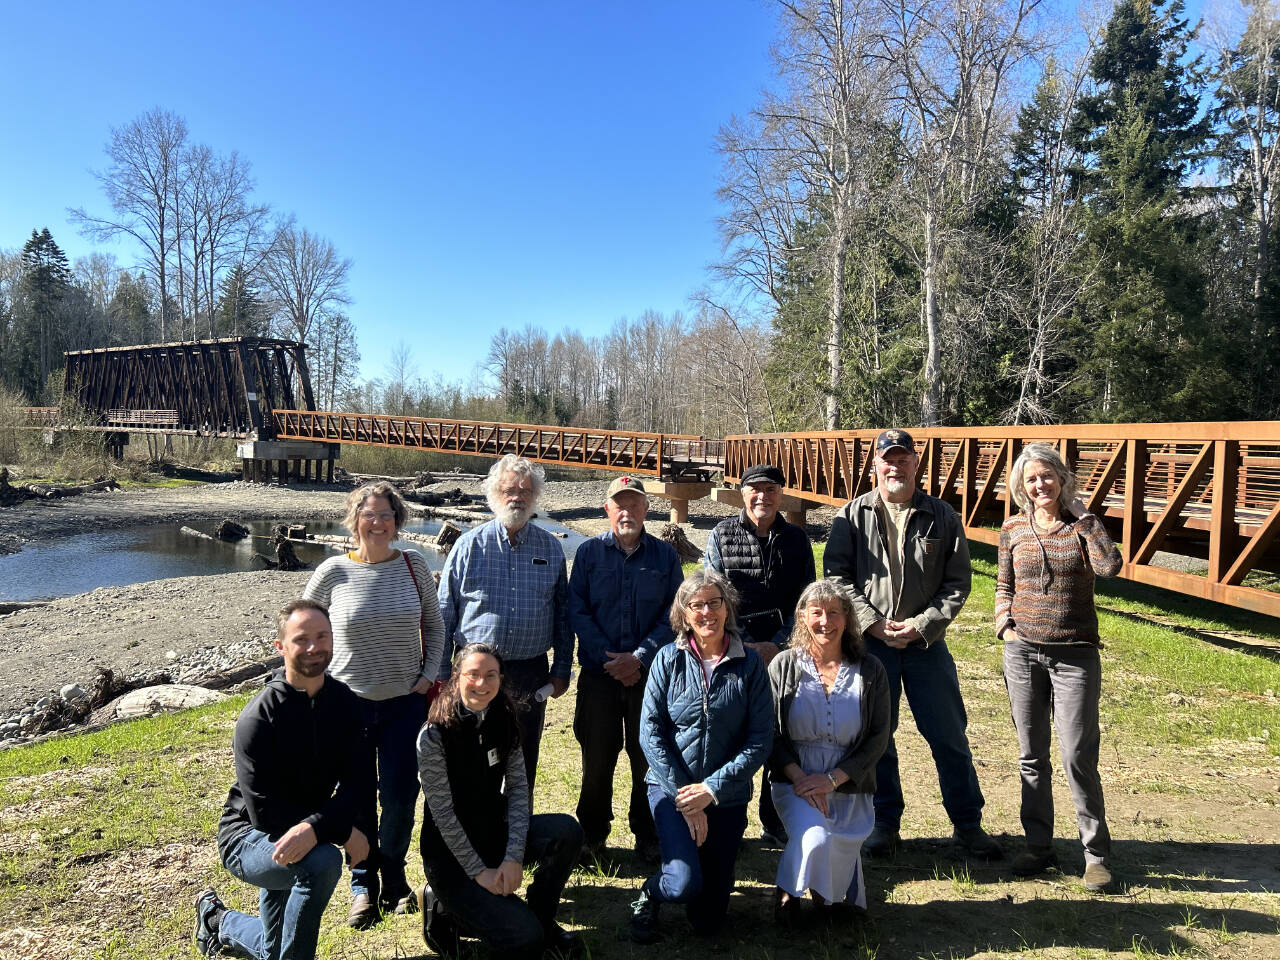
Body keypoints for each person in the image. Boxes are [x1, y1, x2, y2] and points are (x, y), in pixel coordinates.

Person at [824, 429, 1001, 860]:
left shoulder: (941, 515)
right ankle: (884, 823)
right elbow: (836, 575)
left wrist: (922, 626)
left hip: (925, 647)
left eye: (903, 459)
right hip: (873, 645)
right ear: (875, 467)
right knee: (878, 739)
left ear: (915, 465)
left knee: (948, 735)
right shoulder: (853, 515)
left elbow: (958, 583)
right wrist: (871, 624)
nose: (895, 466)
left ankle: (967, 824)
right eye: (888, 459)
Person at [194, 599, 373, 960]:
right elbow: (264, 813)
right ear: (280, 647)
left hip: (302, 830)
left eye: (322, 637)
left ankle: (216, 921)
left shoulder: (345, 704)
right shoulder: (258, 718)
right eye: (301, 639)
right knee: (321, 862)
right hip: (249, 838)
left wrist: (318, 827)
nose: (313, 647)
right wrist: (338, 832)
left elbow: (360, 784)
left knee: (273, 949)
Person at [302, 482, 445, 925]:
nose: (378, 523)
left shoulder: (413, 565)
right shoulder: (332, 572)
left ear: (397, 521)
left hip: (405, 702)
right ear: (355, 519)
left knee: (402, 795)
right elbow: (304, 631)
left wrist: (426, 677)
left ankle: (395, 875)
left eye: (386, 515)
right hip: (349, 706)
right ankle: (362, 884)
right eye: (369, 515)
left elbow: (436, 626)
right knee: (358, 796)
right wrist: (314, 685)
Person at [996, 442, 1122, 892]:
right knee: (1032, 756)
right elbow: (1003, 584)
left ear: (1062, 479)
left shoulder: (1080, 526)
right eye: (1031, 479)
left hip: (1075, 654)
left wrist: (1086, 517)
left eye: (1047, 476)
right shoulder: (1012, 528)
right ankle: (1038, 845)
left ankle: (1095, 855)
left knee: (1077, 755)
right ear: (1022, 486)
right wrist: (1005, 626)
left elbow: (1110, 566)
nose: (1040, 484)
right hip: (1023, 652)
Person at [631, 570, 774, 944]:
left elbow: (760, 739)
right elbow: (650, 732)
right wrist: (686, 797)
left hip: (725, 796)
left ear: (728, 609)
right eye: (697, 605)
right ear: (684, 614)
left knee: (708, 920)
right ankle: (650, 892)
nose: (706, 612)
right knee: (683, 885)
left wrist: (711, 789)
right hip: (671, 790)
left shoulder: (751, 664)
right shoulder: (667, 659)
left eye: (715, 603)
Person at [416, 643, 584, 959]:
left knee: (567, 832)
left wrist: (512, 857)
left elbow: (519, 792)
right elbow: (443, 814)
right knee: (524, 939)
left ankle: (543, 920)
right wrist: (480, 872)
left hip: (494, 836)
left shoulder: (505, 720)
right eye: (473, 674)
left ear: (501, 678)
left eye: (490, 675)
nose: (482, 683)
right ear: (456, 677)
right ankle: (444, 909)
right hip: (452, 859)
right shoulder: (434, 735)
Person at [437, 455, 572, 788]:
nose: (518, 497)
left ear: (535, 497)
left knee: (522, 762)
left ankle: (517, 836)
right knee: (469, 757)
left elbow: (564, 615)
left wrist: (562, 669)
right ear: (493, 494)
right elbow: (443, 613)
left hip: (529, 673)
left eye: (526, 491)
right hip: (473, 673)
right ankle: (472, 835)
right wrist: (440, 675)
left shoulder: (551, 549)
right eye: (509, 489)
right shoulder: (468, 547)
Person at [569, 475, 683, 862]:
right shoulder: (587, 554)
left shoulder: (665, 557)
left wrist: (640, 657)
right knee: (596, 759)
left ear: (647, 510)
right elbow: (577, 611)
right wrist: (610, 659)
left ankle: (648, 833)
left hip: (649, 677)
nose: (627, 512)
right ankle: (593, 833)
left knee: (647, 757)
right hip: (599, 677)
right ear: (607, 510)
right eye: (620, 504)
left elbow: (674, 616)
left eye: (635, 504)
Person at [705, 462, 816, 845]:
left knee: (784, 734)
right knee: (732, 736)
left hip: (785, 653)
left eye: (771, 489)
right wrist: (745, 643)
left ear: (780, 495)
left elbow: (808, 600)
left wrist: (779, 644)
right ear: (742, 493)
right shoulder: (721, 535)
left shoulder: (798, 540)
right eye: (755, 489)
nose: (763, 497)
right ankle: (727, 822)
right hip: (736, 650)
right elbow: (711, 599)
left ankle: (777, 822)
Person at [768, 580, 890, 924]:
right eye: (817, 612)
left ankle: (828, 896)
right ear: (802, 616)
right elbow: (770, 733)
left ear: (848, 617)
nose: (826, 621)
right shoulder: (783, 666)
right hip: (796, 781)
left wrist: (833, 780)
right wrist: (803, 779)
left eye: (834, 612)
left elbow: (879, 736)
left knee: (840, 843)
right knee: (817, 838)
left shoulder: (871, 670)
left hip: (849, 781)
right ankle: (787, 892)